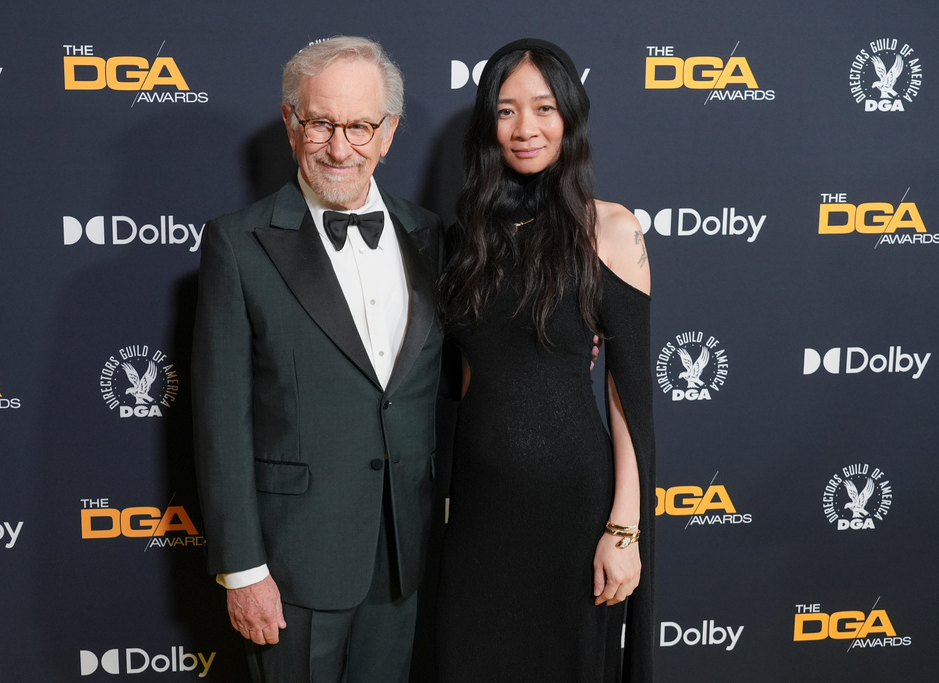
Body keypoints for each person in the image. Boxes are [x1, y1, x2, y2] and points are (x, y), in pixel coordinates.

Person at [192, 36, 445, 683]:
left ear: (387, 132)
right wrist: (244, 570)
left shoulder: (431, 237)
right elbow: (222, 419)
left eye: (359, 126)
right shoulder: (238, 244)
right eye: (321, 123)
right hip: (292, 568)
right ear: (290, 122)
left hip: (401, 560)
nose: (340, 147)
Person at [435, 38, 655, 682]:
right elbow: (469, 375)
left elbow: (630, 392)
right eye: (506, 111)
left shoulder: (610, 229)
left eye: (544, 108)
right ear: (488, 123)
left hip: (572, 504)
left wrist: (624, 528)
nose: (525, 128)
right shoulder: (465, 239)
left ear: (570, 117)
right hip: (478, 507)